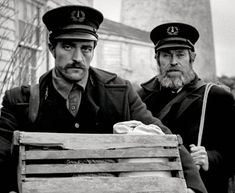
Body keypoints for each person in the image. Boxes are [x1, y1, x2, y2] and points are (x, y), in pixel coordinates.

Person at [0, 6, 207, 193]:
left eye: (86, 48)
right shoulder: (20, 101)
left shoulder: (119, 92)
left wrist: (193, 188)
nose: (78, 58)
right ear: (52, 48)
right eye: (68, 46)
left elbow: (165, 138)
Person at [138, 22, 235, 193]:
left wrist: (209, 158)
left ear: (192, 58)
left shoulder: (216, 97)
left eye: (180, 55)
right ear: (157, 59)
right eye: (166, 55)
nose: (173, 62)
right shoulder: (141, 97)